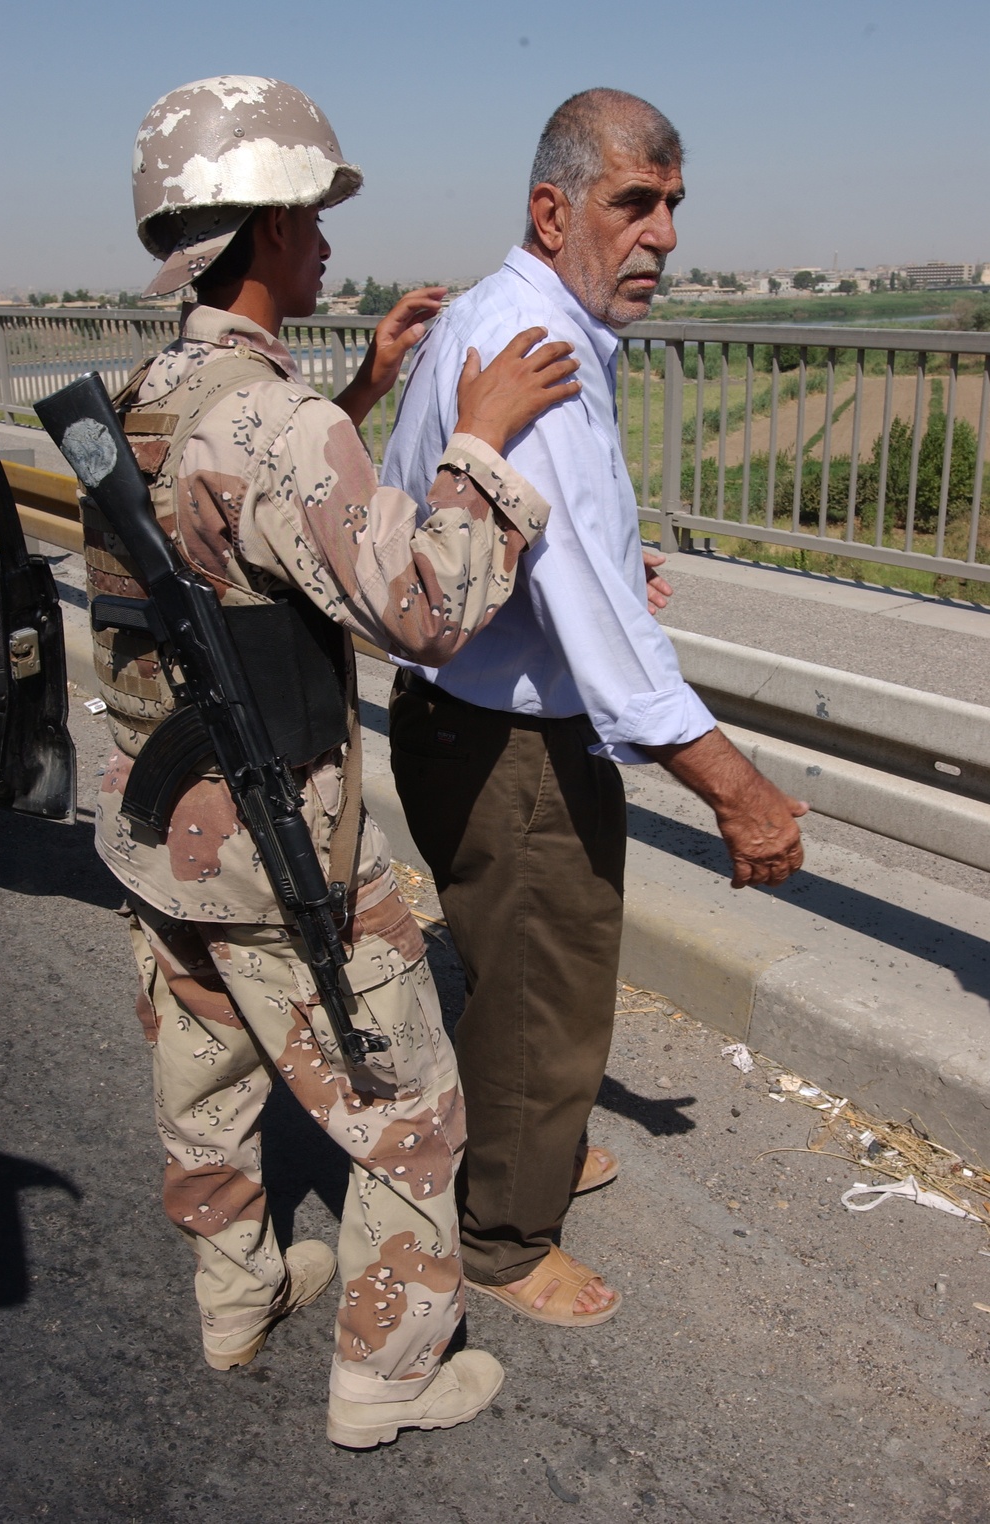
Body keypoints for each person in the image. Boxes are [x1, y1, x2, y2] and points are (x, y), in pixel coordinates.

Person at [94, 75, 580, 1448]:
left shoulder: (155, 390)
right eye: (307, 218)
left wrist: (362, 389)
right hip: (274, 844)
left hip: (158, 831)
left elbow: (239, 540)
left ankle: (236, 1302)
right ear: (252, 232)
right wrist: (476, 436)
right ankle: (390, 1373)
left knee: (208, 1084)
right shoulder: (279, 425)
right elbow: (425, 606)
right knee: (416, 1111)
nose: (324, 244)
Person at [383, 88, 807, 1327]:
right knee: (544, 989)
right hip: (510, 740)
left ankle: (531, 1149)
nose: (663, 234)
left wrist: (609, 567)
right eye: (635, 202)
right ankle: (508, 1242)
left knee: (518, 969)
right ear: (553, 206)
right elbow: (619, 666)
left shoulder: (503, 316)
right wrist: (744, 794)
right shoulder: (541, 361)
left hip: (462, 713)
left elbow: (508, 533)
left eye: (672, 205)